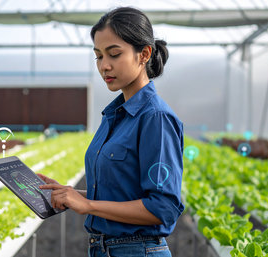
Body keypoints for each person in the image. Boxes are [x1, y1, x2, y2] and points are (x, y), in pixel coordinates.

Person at [39, 6, 184, 257]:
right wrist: (71, 194)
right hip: (104, 249)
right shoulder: (114, 115)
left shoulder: (155, 118)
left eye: (114, 54)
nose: (104, 66)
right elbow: (124, 193)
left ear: (144, 54)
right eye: (98, 56)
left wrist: (88, 205)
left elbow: (163, 207)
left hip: (138, 251)